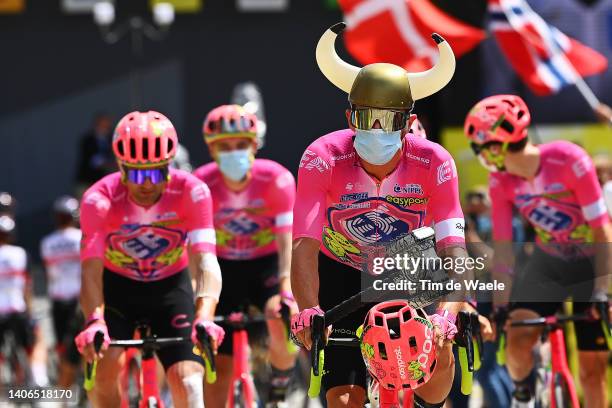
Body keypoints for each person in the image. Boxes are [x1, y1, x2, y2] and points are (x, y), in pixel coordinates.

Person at [290, 23, 492, 408]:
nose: (378, 132)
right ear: (350, 118)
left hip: (411, 268)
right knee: (343, 401)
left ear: (407, 123)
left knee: (433, 381)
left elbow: (454, 250)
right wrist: (309, 309)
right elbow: (304, 243)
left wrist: (447, 316)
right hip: (342, 273)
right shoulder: (322, 156)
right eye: (368, 119)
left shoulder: (435, 161)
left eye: (390, 121)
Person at [464, 94, 612, 408]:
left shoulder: (568, 158)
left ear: (495, 147)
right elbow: (504, 253)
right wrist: (500, 308)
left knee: (591, 371)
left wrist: (602, 291)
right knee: (517, 338)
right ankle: (524, 395)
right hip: (550, 263)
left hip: (592, 261)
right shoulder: (499, 181)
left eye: (480, 150)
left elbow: (602, 230)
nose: (484, 158)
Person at [76, 111, 224, 408]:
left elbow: (206, 260)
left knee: (189, 384)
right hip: (116, 290)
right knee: (105, 376)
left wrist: (205, 316)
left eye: (155, 173)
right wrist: (94, 321)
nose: (146, 184)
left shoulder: (192, 191)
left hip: (171, 289)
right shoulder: (98, 199)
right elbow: (90, 270)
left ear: (169, 167)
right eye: (136, 173)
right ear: (120, 167)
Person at [194, 104, 298, 408]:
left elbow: (286, 240)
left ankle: (281, 379)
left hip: (265, 266)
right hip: (221, 270)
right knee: (218, 373)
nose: (233, 151)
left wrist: (286, 291)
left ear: (255, 144)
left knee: (280, 317)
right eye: (224, 146)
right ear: (211, 150)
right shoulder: (201, 183)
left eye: (241, 144)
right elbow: (196, 249)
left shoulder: (276, 179)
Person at [0, 215, 49, 387]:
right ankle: (38, 379)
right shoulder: (20, 254)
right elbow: (27, 287)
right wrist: (30, 311)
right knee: (37, 341)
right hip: (17, 310)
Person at [40, 195, 82, 389]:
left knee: (62, 346)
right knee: (83, 342)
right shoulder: (82, 237)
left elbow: (50, 274)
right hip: (80, 298)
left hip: (58, 298)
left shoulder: (47, 242)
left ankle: (64, 391)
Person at [76, 112, 116, 190]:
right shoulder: (88, 139)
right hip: (87, 181)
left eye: (107, 125)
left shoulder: (111, 139)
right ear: (97, 124)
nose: (105, 127)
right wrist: (110, 164)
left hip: (102, 181)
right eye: (103, 124)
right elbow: (94, 160)